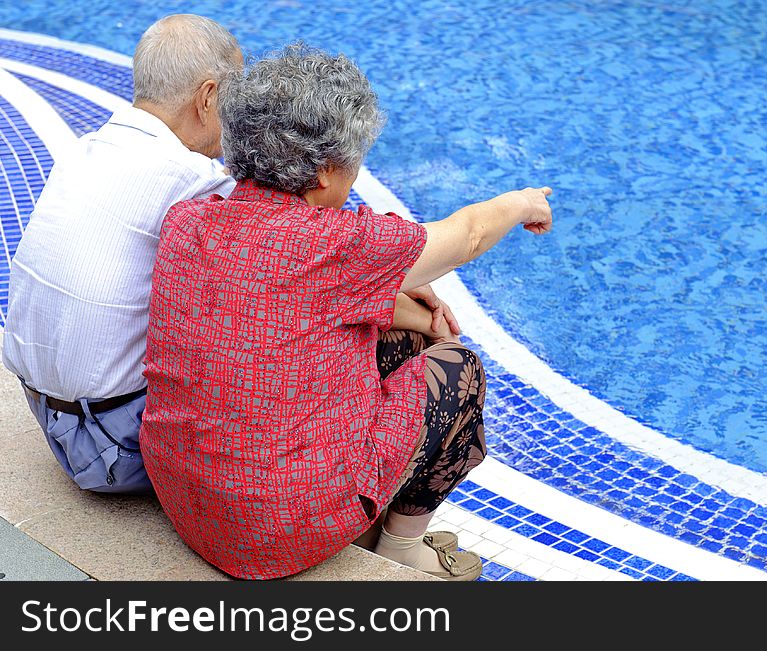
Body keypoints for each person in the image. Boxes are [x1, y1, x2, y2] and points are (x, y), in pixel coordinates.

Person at [140, 44, 552, 581]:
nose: (355, 180)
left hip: (185, 497)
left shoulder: (188, 220)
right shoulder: (335, 244)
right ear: (324, 172)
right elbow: (469, 234)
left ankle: (357, 504)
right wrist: (522, 202)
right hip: (274, 533)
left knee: (402, 337)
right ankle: (402, 547)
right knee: (457, 370)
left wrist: (398, 308)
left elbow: (284, 310)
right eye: (354, 164)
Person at [1, 15, 243, 493]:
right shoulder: (190, 180)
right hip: (115, 444)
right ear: (208, 96)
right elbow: (299, 257)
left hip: (49, 418)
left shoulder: (84, 149)